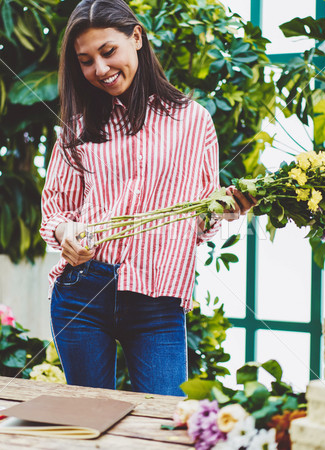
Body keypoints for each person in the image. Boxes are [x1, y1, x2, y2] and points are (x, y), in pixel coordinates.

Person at [40, 0, 255, 396]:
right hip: (84, 292)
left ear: (136, 37)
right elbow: (57, 210)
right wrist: (66, 231)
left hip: (159, 303)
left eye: (108, 52)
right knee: (87, 422)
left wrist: (224, 211)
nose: (100, 70)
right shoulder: (79, 127)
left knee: (165, 418)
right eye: (86, 61)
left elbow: (199, 220)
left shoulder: (193, 121)